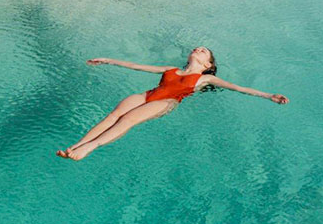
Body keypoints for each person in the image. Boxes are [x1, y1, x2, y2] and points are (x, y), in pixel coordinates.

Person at [56, 47, 288, 161]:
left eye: (204, 51)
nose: (198, 49)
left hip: (167, 101)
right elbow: (137, 66)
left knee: (127, 120)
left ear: (208, 64)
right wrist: (107, 60)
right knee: (112, 116)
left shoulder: (206, 78)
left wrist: (269, 95)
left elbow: (239, 88)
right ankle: (75, 146)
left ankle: (89, 148)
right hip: (149, 94)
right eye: (197, 48)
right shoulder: (171, 69)